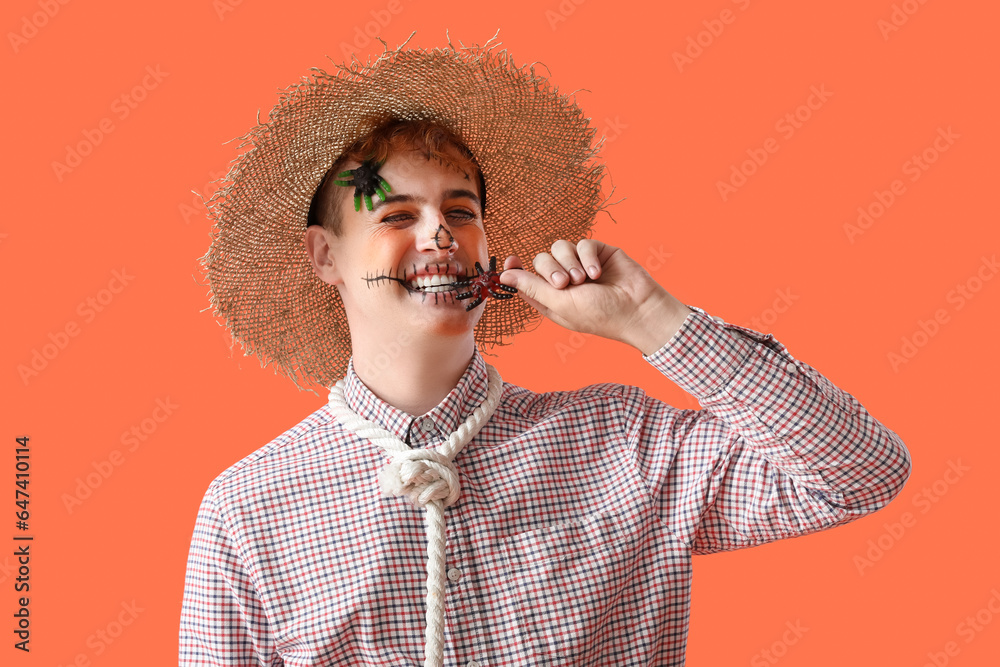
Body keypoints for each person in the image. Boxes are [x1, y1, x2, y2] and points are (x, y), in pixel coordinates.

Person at [181, 35, 911, 667]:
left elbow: (857, 475)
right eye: (399, 213)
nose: (439, 233)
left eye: (460, 212)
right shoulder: (248, 509)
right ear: (324, 256)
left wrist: (652, 319)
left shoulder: (621, 442)